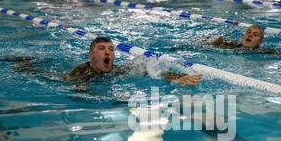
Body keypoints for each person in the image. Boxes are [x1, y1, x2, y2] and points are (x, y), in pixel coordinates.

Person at [65, 37, 202, 86]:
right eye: (101, 49)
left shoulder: (116, 70)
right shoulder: (79, 74)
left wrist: (180, 77)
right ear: (91, 56)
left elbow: (152, 72)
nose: (107, 52)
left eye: (111, 49)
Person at [207, 25, 281, 55]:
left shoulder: (265, 52)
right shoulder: (230, 45)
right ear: (243, 37)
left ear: (260, 42)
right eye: (248, 32)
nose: (250, 35)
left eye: (255, 35)